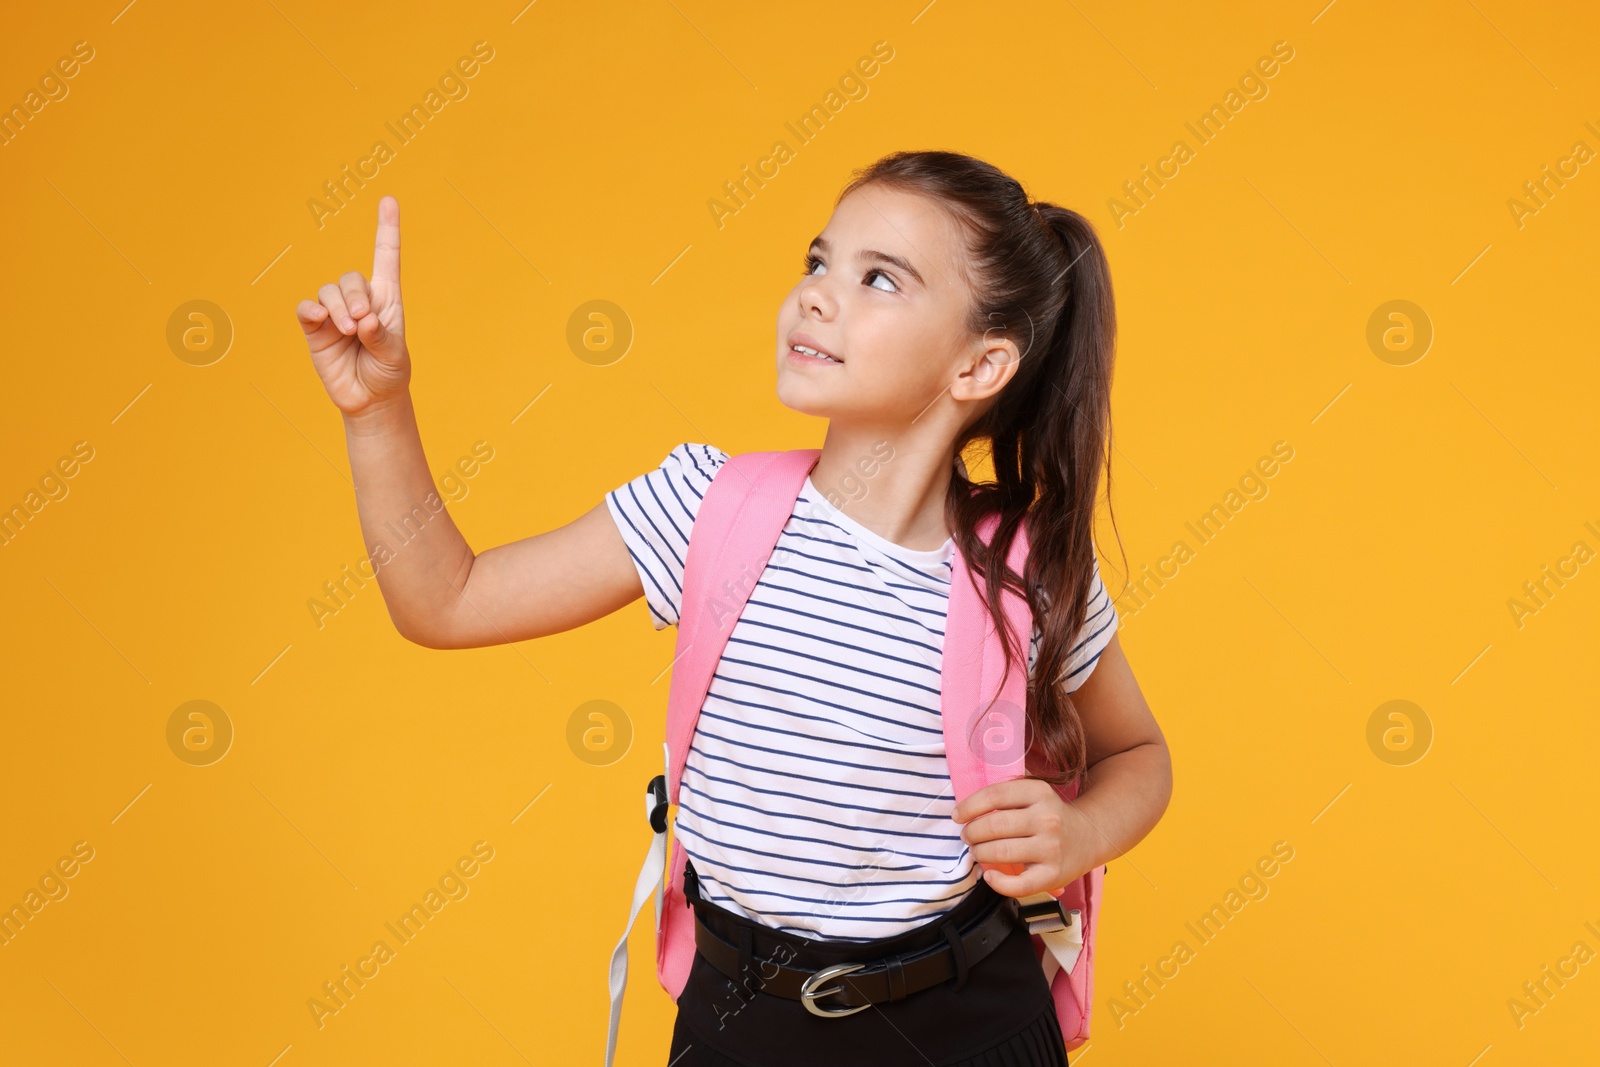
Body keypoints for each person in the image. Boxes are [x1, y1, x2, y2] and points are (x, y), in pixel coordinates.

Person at [295, 149, 1173, 1066]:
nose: (818, 295)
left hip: (971, 1027)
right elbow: (444, 599)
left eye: (879, 278)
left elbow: (1138, 755)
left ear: (980, 363)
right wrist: (377, 410)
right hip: (739, 1026)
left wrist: (1079, 832)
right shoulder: (705, 507)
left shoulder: (1024, 573)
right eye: (817, 261)